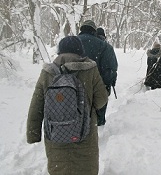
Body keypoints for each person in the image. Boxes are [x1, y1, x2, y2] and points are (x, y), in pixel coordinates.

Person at [26, 36, 108, 175]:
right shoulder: (90, 69)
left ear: (60, 51)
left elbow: (36, 105)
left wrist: (33, 134)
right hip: (85, 136)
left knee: (60, 169)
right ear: (80, 51)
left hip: (56, 137)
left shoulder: (47, 72)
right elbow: (101, 99)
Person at [78, 20, 118, 126]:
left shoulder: (70, 43)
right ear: (94, 30)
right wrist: (108, 85)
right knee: (97, 116)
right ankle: (99, 127)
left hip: (73, 87)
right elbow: (110, 69)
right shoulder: (105, 46)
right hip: (96, 86)